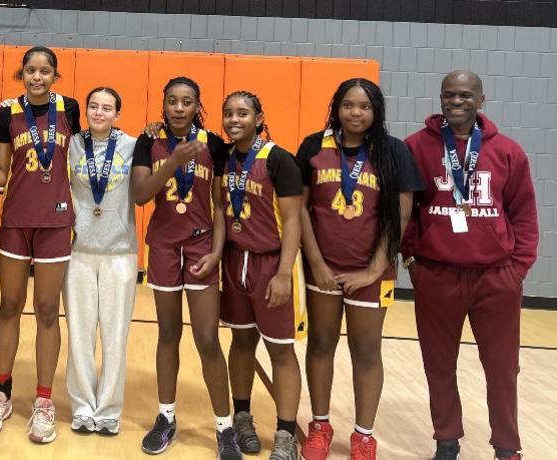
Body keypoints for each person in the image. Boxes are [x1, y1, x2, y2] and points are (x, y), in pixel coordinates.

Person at [402, 70, 537, 460]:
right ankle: (447, 440)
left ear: (481, 99)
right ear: (440, 98)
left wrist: (518, 268)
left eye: (464, 95)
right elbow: (407, 210)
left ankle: (507, 447)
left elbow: (524, 213)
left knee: (502, 369)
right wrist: (412, 257)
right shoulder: (417, 147)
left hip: (496, 278)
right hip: (437, 275)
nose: (455, 101)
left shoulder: (508, 151)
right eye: (448, 94)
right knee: (439, 365)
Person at [298, 78, 422, 460]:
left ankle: (364, 436)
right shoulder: (314, 146)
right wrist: (315, 262)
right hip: (323, 269)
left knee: (366, 351)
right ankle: (319, 426)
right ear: (336, 107)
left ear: (376, 111)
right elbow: (299, 208)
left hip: (372, 272)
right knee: (320, 345)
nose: (356, 112)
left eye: (364, 106)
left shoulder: (393, 151)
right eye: (349, 105)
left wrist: (372, 271)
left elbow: (400, 216)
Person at [0, 46, 80, 444]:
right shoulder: (7, 113)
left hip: (56, 222)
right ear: (22, 73)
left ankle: (44, 401)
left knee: (48, 310)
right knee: (9, 306)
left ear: (55, 75)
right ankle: (0, 391)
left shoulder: (71, 109)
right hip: (15, 221)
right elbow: (1, 172)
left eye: (45, 71)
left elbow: (85, 157)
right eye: (30, 70)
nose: (37, 77)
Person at [130, 76, 238, 457]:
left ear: (197, 107)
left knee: (208, 339)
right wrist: (172, 161)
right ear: (164, 104)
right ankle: (166, 417)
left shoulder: (215, 146)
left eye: (187, 101)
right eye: (172, 101)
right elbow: (140, 195)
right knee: (167, 334)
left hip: (201, 245)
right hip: (162, 246)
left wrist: (216, 252)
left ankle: (225, 428)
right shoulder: (149, 141)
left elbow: (222, 206)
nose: (179, 107)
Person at [216, 91, 304, 460]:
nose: (234, 119)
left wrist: (284, 273)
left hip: (271, 264)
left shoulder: (280, 160)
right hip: (235, 262)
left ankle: (286, 434)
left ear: (258, 117)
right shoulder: (223, 157)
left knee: (280, 351)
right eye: (228, 113)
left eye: (242, 113)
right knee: (241, 344)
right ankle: (242, 417)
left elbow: (295, 220)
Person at [62, 87, 138, 436]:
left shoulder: (134, 145)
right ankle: (82, 406)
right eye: (93, 106)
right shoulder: (72, 143)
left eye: (107, 108)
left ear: (117, 114)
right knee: (79, 333)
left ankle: (108, 409)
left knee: (114, 335)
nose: (99, 112)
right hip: (78, 251)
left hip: (119, 252)